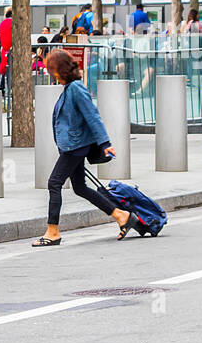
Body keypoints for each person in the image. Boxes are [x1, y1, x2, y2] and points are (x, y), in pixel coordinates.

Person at [32, 49, 138, 247]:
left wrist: (105, 143)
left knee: (54, 183)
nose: (52, 75)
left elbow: (92, 115)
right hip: (72, 145)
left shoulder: (75, 89)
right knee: (80, 187)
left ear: (61, 70)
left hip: (75, 146)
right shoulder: (70, 87)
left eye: (53, 70)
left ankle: (52, 231)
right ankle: (121, 215)